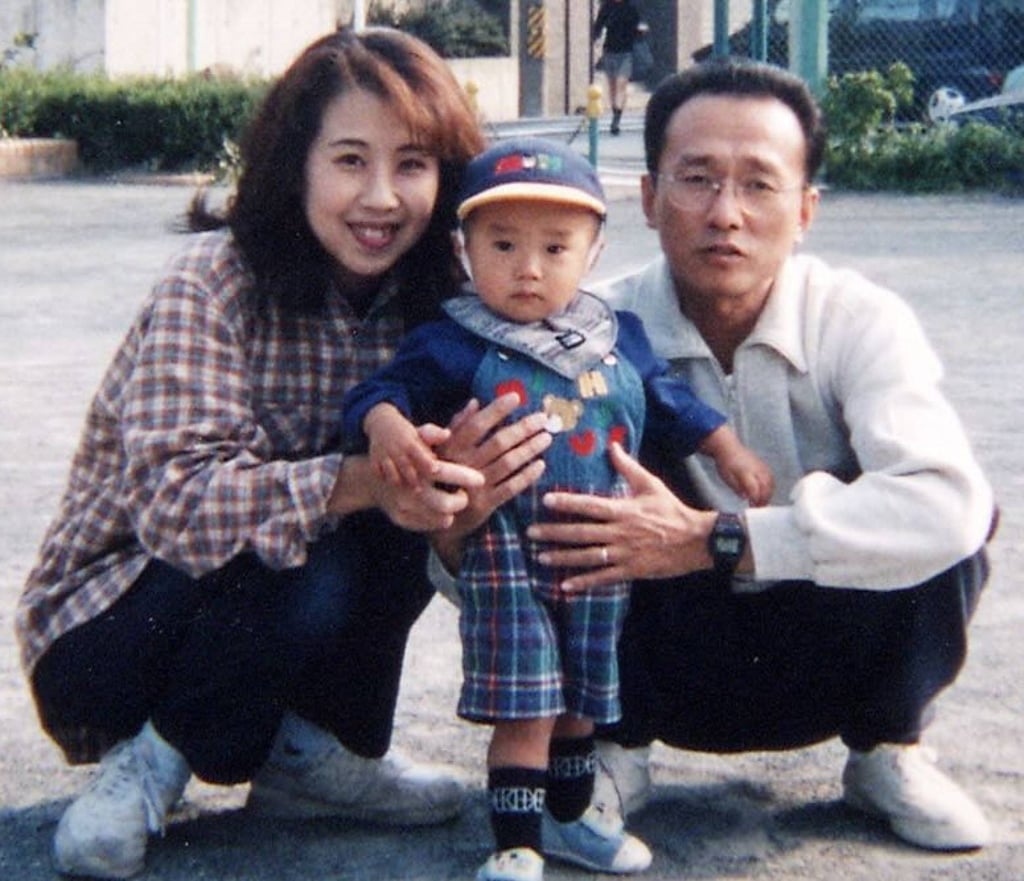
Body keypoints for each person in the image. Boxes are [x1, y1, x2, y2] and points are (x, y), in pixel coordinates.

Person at [442, 58, 998, 857]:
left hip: (825, 648)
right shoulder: (578, 330)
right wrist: (457, 524)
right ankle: (602, 753)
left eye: (759, 184)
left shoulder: (859, 319)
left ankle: (887, 745)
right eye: (697, 179)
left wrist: (717, 538)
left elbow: (949, 505)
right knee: (568, 469)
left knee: (950, 517)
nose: (725, 214)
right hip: (655, 660)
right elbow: (469, 550)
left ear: (805, 209)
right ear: (648, 198)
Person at [13, 27, 512, 881]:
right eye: (350, 160)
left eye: (413, 164)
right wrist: (361, 481)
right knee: (326, 546)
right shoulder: (213, 280)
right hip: (109, 635)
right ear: (296, 164)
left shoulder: (445, 306)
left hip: (264, 628)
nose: (381, 197)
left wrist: (458, 494)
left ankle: (315, 758)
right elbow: (176, 505)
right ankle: (148, 767)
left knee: (411, 489)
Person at [343, 137, 772, 881]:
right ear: (464, 248)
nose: (529, 268)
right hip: (505, 551)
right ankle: (515, 842)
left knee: (582, 696)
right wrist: (386, 425)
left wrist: (726, 446)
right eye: (503, 245)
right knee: (527, 702)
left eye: (555, 247)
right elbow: (379, 392)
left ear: (593, 251)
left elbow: (668, 399)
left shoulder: (616, 334)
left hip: (599, 547)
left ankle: (570, 820)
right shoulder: (450, 340)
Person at [592, 0, 642, 135]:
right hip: (609, 51)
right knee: (612, 85)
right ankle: (615, 111)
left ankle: (616, 119)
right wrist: (595, 38)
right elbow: (598, 25)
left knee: (621, 83)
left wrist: (639, 32)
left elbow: (636, 28)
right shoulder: (607, 7)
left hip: (626, 53)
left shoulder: (630, 9)